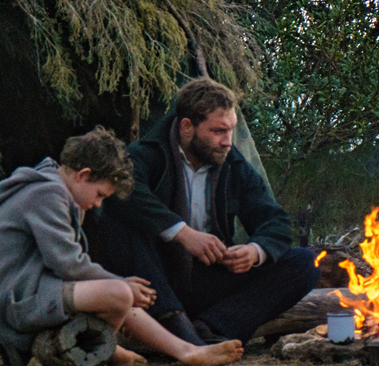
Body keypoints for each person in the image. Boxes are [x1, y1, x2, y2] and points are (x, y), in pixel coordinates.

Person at [0, 126, 244, 366]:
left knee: (119, 293)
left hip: (32, 295)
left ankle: (187, 350)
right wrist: (120, 283)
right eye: (100, 195)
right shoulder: (49, 194)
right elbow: (68, 264)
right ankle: (107, 347)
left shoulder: (59, 193)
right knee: (118, 292)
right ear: (84, 175)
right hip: (16, 307)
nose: (98, 204)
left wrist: (120, 286)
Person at [88, 79, 319, 347]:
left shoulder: (232, 163)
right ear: (187, 127)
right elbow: (124, 195)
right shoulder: (146, 154)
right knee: (120, 224)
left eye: (230, 130)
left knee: (305, 263)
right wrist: (183, 234)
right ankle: (176, 325)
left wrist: (255, 251)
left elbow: (275, 221)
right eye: (218, 131)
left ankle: (212, 328)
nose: (227, 142)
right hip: (154, 279)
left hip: (206, 279)